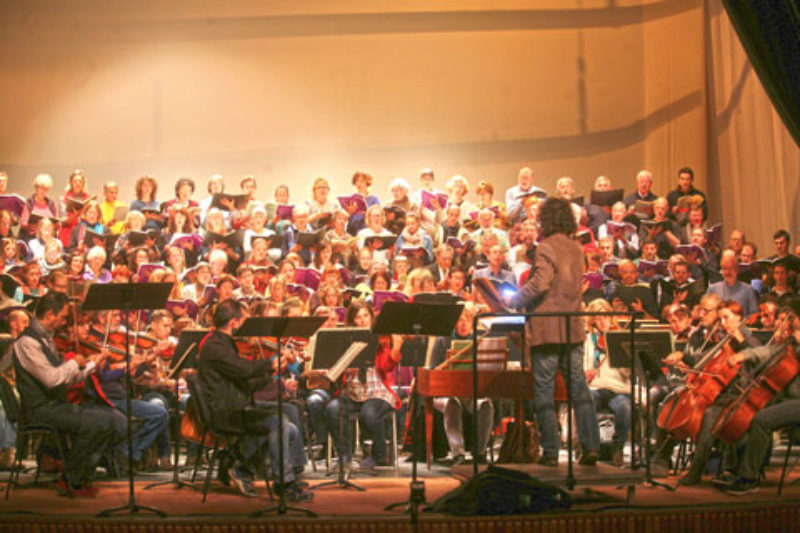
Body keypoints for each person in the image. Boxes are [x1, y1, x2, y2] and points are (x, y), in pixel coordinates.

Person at [507, 197, 600, 466]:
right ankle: (590, 447)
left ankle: (550, 451)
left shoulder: (546, 247)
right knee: (578, 388)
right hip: (572, 326)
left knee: (544, 390)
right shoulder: (575, 247)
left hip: (547, 327)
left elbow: (541, 283)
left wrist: (514, 300)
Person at [197, 299, 311, 501]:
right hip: (227, 412)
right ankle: (282, 483)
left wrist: (274, 370)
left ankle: (239, 463)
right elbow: (245, 370)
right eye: (245, 321)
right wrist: (270, 363)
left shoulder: (224, 343)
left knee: (288, 427)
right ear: (234, 322)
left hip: (238, 405)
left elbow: (247, 382)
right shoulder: (215, 346)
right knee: (281, 423)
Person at [13, 291, 116, 496]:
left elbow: (67, 378)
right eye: (62, 317)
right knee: (92, 425)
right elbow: (52, 379)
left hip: (55, 405)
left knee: (107, 421)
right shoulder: (27, 343)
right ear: (49, 314)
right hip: (39, 410)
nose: (64, 323)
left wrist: (90, 365)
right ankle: (71, 478)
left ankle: (80, 475)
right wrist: (72, 363)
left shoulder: (46, 339)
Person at [721, 299, 800, 494]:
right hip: (787, 397)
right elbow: (769, 351)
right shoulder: (791, 340)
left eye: (793, 318)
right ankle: (738, 469)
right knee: (746, 413)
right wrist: (745, 354)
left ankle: (749, 479)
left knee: (762, 420)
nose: (790, 322)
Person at [428, 303, 493, 464]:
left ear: (472, 322)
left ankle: (480, 451)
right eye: (459, 321)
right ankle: (458, 453)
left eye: (467, 320)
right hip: (446, 394)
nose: (463, 324)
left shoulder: (479, 340)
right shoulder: (443, 341)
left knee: (486, 405)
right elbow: (433, 372)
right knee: (452, 404)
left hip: (471, 394)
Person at [707, 250, 759, 318]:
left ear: (737, 269)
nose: (727, 272)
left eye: (731, 268)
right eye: (725, 268)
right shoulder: (712, 289)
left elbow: (753, 316)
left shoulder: (748, 290)